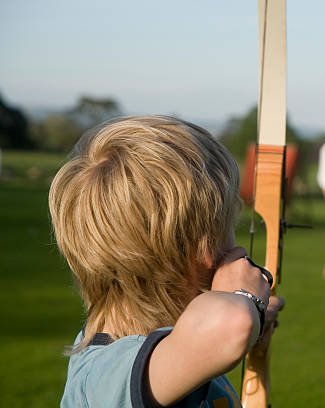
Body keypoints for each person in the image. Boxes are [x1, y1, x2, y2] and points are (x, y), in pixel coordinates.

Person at [49, 115, 284, 407]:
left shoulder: (173, 344)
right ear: (204, 246)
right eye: (228, 227)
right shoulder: (108, 376)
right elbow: (231, 325)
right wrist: (246, 300)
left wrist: (255, 318)